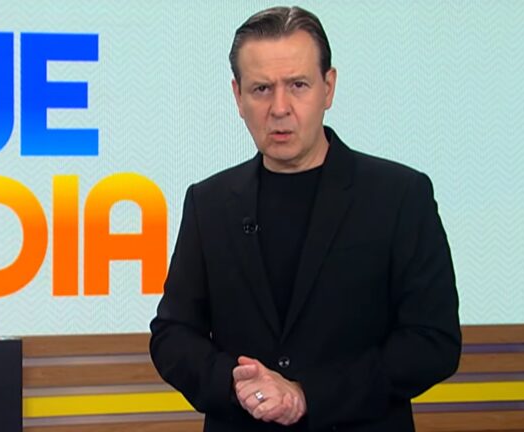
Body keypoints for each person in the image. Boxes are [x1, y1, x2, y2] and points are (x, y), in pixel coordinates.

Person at [150, 6, 460, 431]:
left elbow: (433, 341)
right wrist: (238, 385)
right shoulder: (209, 202)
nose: (280, 108)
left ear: (328, 88)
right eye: (261, 89)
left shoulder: (400, 196)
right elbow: (172, 334)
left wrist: (307, 393)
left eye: (298, 85)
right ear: (238, 96)